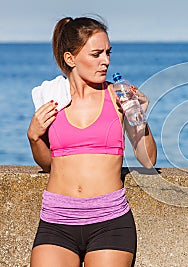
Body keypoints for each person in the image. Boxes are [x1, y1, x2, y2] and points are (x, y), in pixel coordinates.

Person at [27, 16, 157, 267]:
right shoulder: (54, 99)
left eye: (108, 53)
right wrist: (34, 137)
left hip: (109, 222)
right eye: (96, 54)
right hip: (57, 220)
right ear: (70, 59)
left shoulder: (119, 97)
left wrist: (140, 118)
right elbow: (48, 164)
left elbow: (148, 159)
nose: (105, 61)